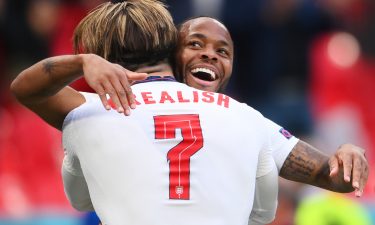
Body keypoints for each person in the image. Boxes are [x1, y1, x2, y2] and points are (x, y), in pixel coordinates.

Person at [11, 1, 281, 224]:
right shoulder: (245, 117)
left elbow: (81, 201)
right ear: (172, 46)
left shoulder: (84, 115)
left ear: (102, 56)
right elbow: (266, 212)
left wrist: (82, 63)